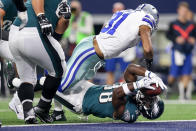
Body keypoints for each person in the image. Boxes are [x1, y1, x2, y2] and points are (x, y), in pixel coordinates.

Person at [11, 64, 165, 123]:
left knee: (47, 82)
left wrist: (138, 84)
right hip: (89, 88)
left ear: (147, 111)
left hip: (80, 103)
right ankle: (58, 113)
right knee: (59, 74)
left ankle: (15, 83)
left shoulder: (129, 114)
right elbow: (131, 69)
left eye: (150, 102)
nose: (148, 97)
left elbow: (117, 93)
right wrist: (150, 75)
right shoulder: (136, 93)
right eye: (152, 98)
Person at [8, 0, 71, 124]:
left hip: (15, 33)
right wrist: (41, 17)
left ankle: (28, 113)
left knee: (27, 79)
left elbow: (57, 35)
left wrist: (66, 18)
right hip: (32, 31)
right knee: (59, 70)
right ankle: (43, 107)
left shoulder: (65, 2)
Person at [166, 2, 196, 100]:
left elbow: (194, 35)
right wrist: (176, 39)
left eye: (185, 11)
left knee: (186, 73)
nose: (183, 12)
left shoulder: (192, 24)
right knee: (174, 73)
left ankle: (184, 94)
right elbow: (168, 35)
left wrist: (193, 39)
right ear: (178, 11)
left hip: (188, 51)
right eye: (182, 10)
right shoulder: (173, 23)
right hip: (177, 51)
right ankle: (168, 89)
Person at [105, 2, 135, 85]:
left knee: (126, 73)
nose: (118, 11)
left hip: (124, 53)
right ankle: (109, 92)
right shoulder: (108, 22)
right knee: (110, 72)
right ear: (113, 10)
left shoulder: (129, 23)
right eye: (117, 9)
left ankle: (126, 93)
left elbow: (132, 39)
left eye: (120, 9)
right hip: (112, 52)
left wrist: (131, 53)